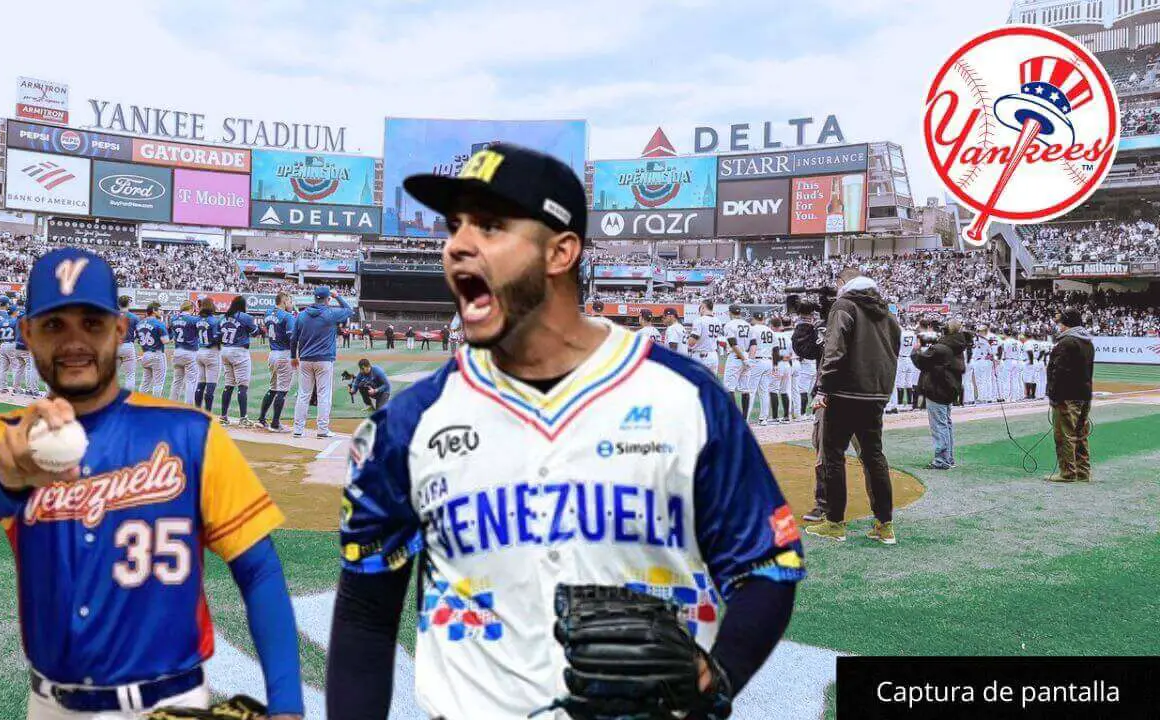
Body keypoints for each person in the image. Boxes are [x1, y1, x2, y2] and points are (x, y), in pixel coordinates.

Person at [325, 143, 803, 720]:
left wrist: (718, 675)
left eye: (492, 225)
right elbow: (365, 616)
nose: (457, 244)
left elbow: (766, 565)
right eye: (455, 226)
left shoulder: (687, 399)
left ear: (561, 251)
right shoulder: (409, 423)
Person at [0, 248, 303, 720]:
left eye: (92, 323)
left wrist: (287, 705)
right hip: (51, 706)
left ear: (121, 330)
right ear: (27, 334)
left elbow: (260, 569)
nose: (74, 342)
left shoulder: (192, 433)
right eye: (54, 325)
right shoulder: (7, 434)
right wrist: (10, 473)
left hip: (171, 700)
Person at [805, 268, 901, 545]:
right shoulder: (888, 314)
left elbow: (834, 350)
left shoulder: (844, 306)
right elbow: (894, 355)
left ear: (843, 284)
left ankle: (835, 523)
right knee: (874, 457)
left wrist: (823, 388)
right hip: (875, 394)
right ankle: (885, 525)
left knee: (834, 457)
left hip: (845, 392)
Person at [290, 286, 353, 439]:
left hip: (305, 360)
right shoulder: (330, 314)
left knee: (303, 395)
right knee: (324, 395)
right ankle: (322, 430)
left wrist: (293, 356)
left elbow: (293, 339)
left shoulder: (302, 315)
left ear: (314, 297)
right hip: (324, 360)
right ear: (328, 298)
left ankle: (298, 429)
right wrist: (338, 296)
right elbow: (349, 310)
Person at [911, 320, 968, 471]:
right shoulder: (958, 346)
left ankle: (942, 460)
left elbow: (920, 362)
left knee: (939, 426)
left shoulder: (941, 348)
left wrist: (915, 350)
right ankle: (948, 458)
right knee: (946, 425)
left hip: (937, 389)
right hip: (949, 388)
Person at [1047, 309, 1094, 482]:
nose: (1058, 326)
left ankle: (1067, 472)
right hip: (1084, 394)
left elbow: (1058, 371)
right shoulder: (1087, 342)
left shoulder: (1066, 342)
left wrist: (1053, 394)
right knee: (1081, 434)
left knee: (1064, 434)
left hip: (1067, 395)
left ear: (1066, 323)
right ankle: (1083, 471)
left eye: (1060, 322)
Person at [218, 296, 259, 427]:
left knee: (229, 384)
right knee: (242, 385)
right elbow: (256, 332)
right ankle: (243, 419)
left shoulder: (223, 317)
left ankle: (223, 417)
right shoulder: (245, 317)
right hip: (239, 352)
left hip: (225, 350)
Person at [258, 292, 296, 432]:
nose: (291, 304)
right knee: (282, 390)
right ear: (284, 301)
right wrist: (294, 355)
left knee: (273, 388)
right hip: (284, 354)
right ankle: (275, 423)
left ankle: (262, 419)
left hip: (272, 353)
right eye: (290, 301)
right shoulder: (287, 316)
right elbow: (292, 338)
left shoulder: (267, 313)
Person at [193, 297, 223, 411]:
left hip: (200, 351)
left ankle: (197, 411)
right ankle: (208, 413)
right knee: (211, 385)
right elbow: (216, 338)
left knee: (200, 383)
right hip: (211, 352)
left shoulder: (198, 320)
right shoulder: (214, 320)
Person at [167, 301, 200, 405]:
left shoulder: (173, 318)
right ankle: (188, 407)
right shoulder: (193, 319)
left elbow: (169, 332)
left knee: (177, 381)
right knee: (191, 381)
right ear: (191, 308)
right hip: (190, 352)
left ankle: (172, 405)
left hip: (177, 351)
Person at [136, 302, 168, 397]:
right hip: (157, 354)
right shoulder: (158, 323)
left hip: (145, 354)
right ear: (154, 311)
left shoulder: (140, 323)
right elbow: (165, 341)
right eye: (159, 309)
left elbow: (139, 339)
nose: (161, 311)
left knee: (145, 382)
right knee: (158, 383)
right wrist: (171, 335)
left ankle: (138, 405)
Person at [689, 299, 721, 376]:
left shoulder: (699, 320)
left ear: (703, 307)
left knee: (697, 384)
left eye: (700, 307)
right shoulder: (718, 321)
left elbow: (691, 342)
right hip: (714, 355)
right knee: (711, 384)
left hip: (701, 356)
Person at [116, 295, 139, 391]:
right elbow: (139, 332)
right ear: (128, 304)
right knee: (130, 375)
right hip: (128, 345)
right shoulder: (134, 317)